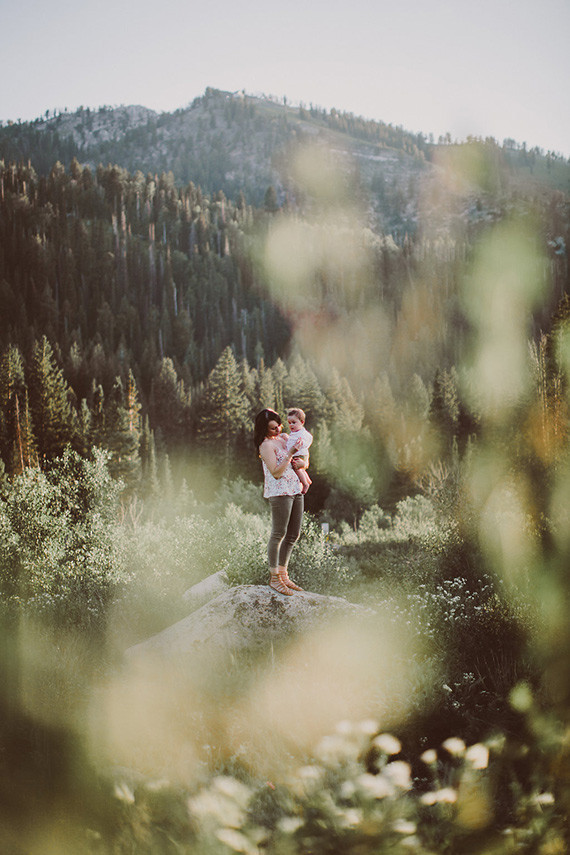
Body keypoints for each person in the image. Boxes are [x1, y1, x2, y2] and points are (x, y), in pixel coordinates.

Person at [254, 408, 307, 595]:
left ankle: (283, 574)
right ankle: (274, 577)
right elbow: (276, 472)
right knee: (278, 533)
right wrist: (290, 453)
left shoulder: (284, 438)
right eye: (272, 428)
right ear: (264, 429)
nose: (278, 430)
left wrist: (303, 463)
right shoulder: (266, 446)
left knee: (293, 534)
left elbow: (302, 459)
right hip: (280, 492)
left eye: (278, 426)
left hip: (295, 489)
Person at [285, 407, 313, 494]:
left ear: (302, 422)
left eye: (294, 422)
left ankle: (305, 483)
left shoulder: (302, 433)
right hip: (297, 454)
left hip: (300, 454)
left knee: (296, 468)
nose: (291, 425)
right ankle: (308, 480)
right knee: (301, 469)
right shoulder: (294, 432)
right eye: (289, 423)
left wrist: (302, 444)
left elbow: (309, 438)